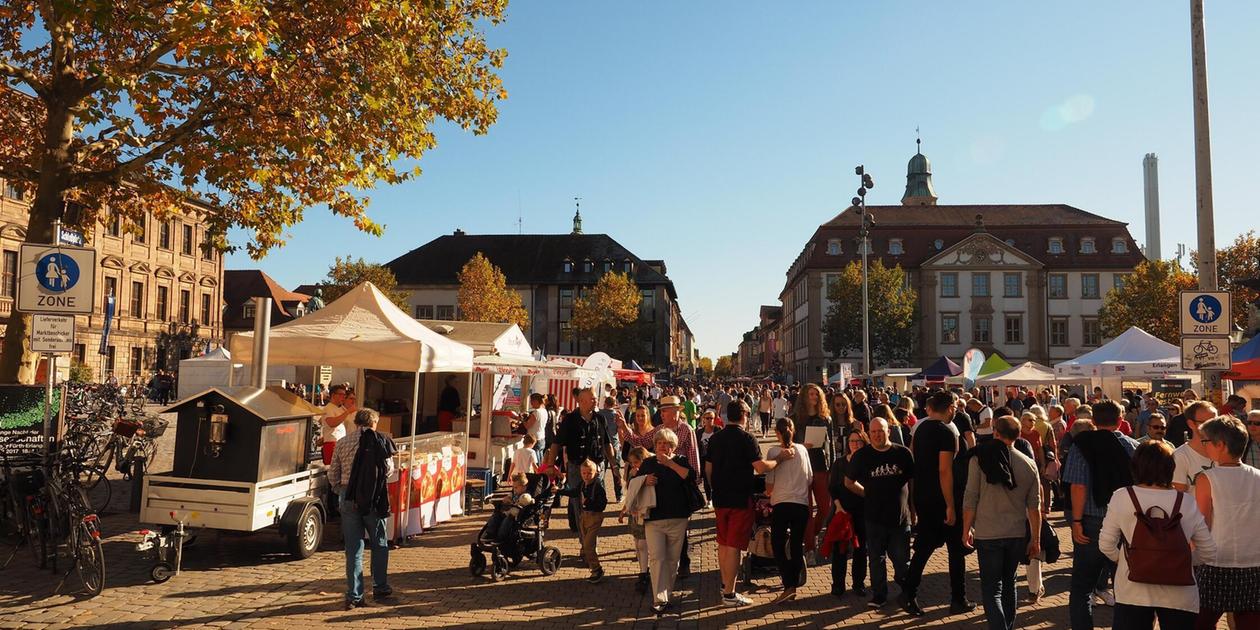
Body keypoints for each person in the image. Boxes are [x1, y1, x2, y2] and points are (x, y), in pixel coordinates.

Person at [1099, 440, 1216, 630]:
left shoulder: (1122, 496)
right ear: (1170, 467)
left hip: (1132, 590)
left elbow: (1105, 544)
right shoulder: (1185, 501)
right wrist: (1180, 561)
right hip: (1180, 594)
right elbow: (1208, 551)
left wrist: (1129, 560)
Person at [705, 400, 790, 607]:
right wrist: (780, 458)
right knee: (734, 546)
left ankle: (725, 585)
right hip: (740, 498)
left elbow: (708, 468)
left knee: (723, 544)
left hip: (720, 497)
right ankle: (730, 594)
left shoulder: (716, 438)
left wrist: (714, 488)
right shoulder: (747, 438)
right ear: (744, 414)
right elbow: (761, 468)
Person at [1062, 400, 1138, 630]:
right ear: (1120, 420)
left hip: (1091, 521)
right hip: (1125, 522)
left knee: (1082, 586)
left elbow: (1078, 486)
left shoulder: (1081, 445)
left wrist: (1076, 521)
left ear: (1093, 421)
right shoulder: (1133, 447)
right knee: (1124, 586)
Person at [962, 415, 1042, 630]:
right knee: (1009, 585)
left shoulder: (979, 459)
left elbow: (970, 497)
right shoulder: (1028, 464)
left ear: (996, 432)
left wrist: (966, 528)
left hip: (988, 533)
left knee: (991, 588)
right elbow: (1035, 507)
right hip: (1015, 533)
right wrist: (1036, 538)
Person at [904, 390, 974, 616]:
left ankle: (911, 593)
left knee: (925, 548)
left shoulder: (921, 428)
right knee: (954, 549)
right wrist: (951, 505)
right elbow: (944, 470)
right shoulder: (944, 432)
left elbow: (915, 462)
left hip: (924, 496)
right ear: (951, 407)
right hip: (941, 499)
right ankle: (956, 598)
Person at [619, 395, 701, 577]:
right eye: (661, 411)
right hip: (659, 483)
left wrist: (693, 481)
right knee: (660, 520)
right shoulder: (658, 430)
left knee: (680, 524)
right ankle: (661, 565)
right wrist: (625, 428)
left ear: (675, 412)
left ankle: (683, 562)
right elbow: (640, 442)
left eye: (664, 411)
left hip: (679, 481)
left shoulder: (686, 430)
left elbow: (693, 456)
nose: (661, 414)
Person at [1193, 415, 1260, 630]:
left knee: (1200, 623)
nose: (1204, 446)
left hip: (1216, 563)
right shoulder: (1258, 476)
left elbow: (1201, 524)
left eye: (1206, 441)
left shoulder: (1207, 478)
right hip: (1254, 562)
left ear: (1220, 445)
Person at [328, 408, 397, 610]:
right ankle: (380, 585)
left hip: (348, 498)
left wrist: (341, 490)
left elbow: (333, 474)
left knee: (354, 549)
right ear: (374, 423)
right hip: (374, 499)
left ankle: (355, 595)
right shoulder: (381, 440)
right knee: (379, 543)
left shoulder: (342, 443)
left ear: (356, 423)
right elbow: (389, 470)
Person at [845, 417, 914, 609]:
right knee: (876, 558)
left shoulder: (903, 453)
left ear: (888, 431)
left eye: (881, 431)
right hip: (874, 517)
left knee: (902, 561)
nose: (877, 434)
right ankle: (879, 595)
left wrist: (914, 510)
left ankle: (907, 592)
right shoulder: (862, 456)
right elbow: (848, 482)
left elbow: (912, 482)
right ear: (868, 433)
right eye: (873, 431)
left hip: (900, 517)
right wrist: (866, 493)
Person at [636, 428, 696, 615]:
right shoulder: (648, 463)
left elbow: (691, 477)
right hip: (654, 519)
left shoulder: (681, 461)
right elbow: (634, 482)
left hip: (678, 518)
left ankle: (666, 595)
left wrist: (670, 463)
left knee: (672, 560)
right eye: (659, 443)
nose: (662, 446)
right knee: (657, 558)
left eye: (667, 444)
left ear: (673, 446)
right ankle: (659, 599)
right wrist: (645, 480)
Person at [544, 388, 620, 533]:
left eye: (595, 398)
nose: (596, 400)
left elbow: (607, 444)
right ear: (581, 401)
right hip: (576, 467)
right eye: (592, 398)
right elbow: (556, 444)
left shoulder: (600, 418)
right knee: (578, 502)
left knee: (596, 502)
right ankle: (584, 538)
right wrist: (550, 465)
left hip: (597, 467)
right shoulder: (570, 420)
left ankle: (591, 536)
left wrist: (614, 465)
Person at [766, 417, 813, 605]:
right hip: (801, 504)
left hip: (781, 503)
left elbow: (769, 486)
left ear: (777, 433)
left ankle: (789, 584)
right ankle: (793, 580)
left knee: (778, 545)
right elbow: (809, 479)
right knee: (795, 545)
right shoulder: (802, 450)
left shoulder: (773, 451)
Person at [791, 383, 833, 556]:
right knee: (806, 510)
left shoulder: (825, 418)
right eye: (811, 394)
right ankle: (809, 548)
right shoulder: (795, 418)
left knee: (825, 507)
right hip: (802, 466)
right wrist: (801, 446)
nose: (814, 397)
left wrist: (833, 467)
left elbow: (830, 446)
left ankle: (811, 535)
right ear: (804, 397)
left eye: (817, 394)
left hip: (821, 465)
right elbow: (788, 444)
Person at [828, 429, 869, 599]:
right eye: (852, 441)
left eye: (859, 441)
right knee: (840, 551)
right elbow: (833, 488)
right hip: (842, 511)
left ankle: (858, 584)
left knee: (860, 550)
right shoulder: (839, 463)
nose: (855, 444)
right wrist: (838, 506)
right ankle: (838, 585)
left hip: (862, 511)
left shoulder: (868, 463)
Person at [559, 458, 609, 583]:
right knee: (586, 544)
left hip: (594, 517)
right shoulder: (582, 484)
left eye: (589, 473)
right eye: (584, 473)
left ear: (595, 473)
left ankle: (597, 569)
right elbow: (574, 492)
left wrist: (589, 502)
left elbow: (602, 504)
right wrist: (560, 491)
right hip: (584, 516)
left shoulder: (597, 486)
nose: (586, 476)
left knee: (588, 545)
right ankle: (595, 570)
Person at [620, 447, 652, 593]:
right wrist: (624, 510)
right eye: (632, 463)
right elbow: (630, 493)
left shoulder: (649, 473)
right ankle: (642, 570)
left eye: (636, 462)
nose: (634, 465)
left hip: (645, 514)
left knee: (643, 543)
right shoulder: (633, 473)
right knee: (638, 543)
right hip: (634, 514)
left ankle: (644, 573)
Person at [482, 472, 535, 555]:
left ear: (524, 487)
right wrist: (506, 499)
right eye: (513, 487)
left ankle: (500, 537)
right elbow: (508, 497)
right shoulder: (514, 493)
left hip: (517, 516)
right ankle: (490, 533)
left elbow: (527, 501)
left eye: (516, 487)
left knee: (507, 520)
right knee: (496, 515)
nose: (514, 489)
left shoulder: (525, 495)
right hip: (508, 511)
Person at [1172, 401, 1217, 493]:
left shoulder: (1224, 451)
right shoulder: (1180, 456)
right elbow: (1179, 497)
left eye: (1215, 422)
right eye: (1206, 422)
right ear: (1191, 424)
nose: (1212, 427)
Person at [321, 384, 356, 465]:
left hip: (339, 443)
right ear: (333, 395)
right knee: (332, 468)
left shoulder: (337, 409)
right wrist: (348, 412)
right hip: (332, 442)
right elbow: (332, 423)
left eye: (344, 395)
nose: (343, 397)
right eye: (341, 395)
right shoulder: (328, 408)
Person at [696, 410, 720, 504]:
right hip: (704, 459)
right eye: (707, 418)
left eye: (712, 418)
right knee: (706, 479)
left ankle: (717, 496)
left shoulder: (718, 430)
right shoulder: (699, 432)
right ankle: (709, 499)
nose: (710, 420)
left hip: (716, 459)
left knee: (717, 478)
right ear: (703, 419)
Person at [524, 393, 549, 461]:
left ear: (536, 401)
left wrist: (523, 420)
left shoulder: (536, 412)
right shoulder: (544, 411)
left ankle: (538, 472)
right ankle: (541, 471)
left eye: (531, 401)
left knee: (535, 461)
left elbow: (527, 426)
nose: (531, 403)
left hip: (534, 439)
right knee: (540, 459)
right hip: (542, 438)